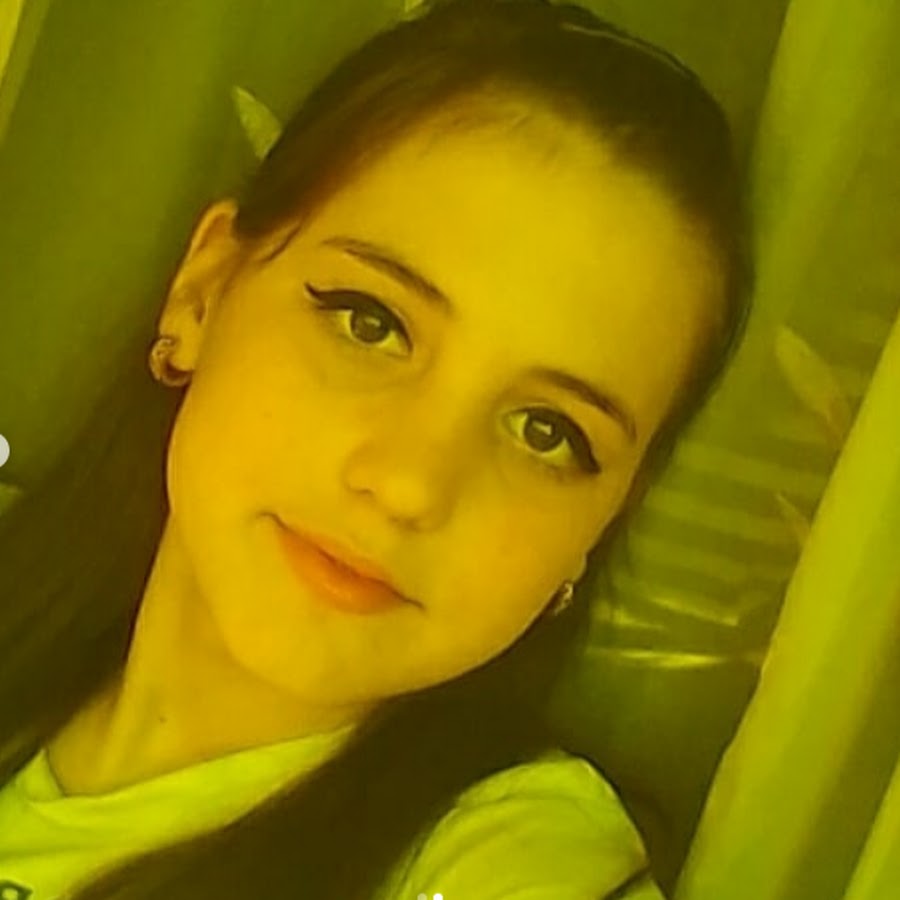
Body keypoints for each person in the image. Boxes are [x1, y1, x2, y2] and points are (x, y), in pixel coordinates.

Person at [0, 0, 752, 897]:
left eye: (546, 433)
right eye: (371, 323)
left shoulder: (508, 858)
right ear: (203, 293)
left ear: (600, 525)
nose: (409, 483)